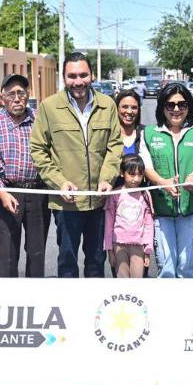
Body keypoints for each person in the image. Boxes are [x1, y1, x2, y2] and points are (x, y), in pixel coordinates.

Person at [29, 52, 124, 278]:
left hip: (99, 201)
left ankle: (94, 312)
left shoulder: (107, 105)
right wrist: (59, 182)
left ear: (92, 75)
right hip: (66, 204)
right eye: (72, 76)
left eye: (83, 75)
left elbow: (115, 146)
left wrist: (106, 179)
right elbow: (38, 150)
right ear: (63, 78)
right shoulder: (49, 107)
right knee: (67, 262)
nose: (78, 81)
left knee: (96, 262)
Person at [0, 74, 50, 278]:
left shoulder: (40, 119)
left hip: (38, 192)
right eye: (11, 94)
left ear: (28, 95)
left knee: (37, 253)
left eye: (21, 93)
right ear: (3, 98)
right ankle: (9, 300)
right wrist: (2, 194)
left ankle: (34, 300)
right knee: (7, 255)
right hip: (5, 193)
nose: (17, 98)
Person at [142, 82, 193, 278]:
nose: (176, 109)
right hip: (162, 210)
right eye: (170, 105)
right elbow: (147, 167)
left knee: (188, 267)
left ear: (189, 107)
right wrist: (164, 183)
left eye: (182, 104)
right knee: (167, 268)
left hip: (192, 209)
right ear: (162, 106)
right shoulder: (148, 133)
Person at [104, 155, 154, 278]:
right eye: (131, 174)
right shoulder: (115, 194)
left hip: (138, 246)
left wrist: (147, 250)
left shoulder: (145, 194)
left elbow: (149, 224)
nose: (136, 179)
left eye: (139, 174)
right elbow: (109, 223)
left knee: (137, 280)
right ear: (122, 173)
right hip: (119, 245)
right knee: (122, 279)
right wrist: (109, 250)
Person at [115, 89, 144, 155]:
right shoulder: (108, 134)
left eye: (134, 107)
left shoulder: (145, 134)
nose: (129, 111)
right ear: (117, 108)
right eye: (125, 107)